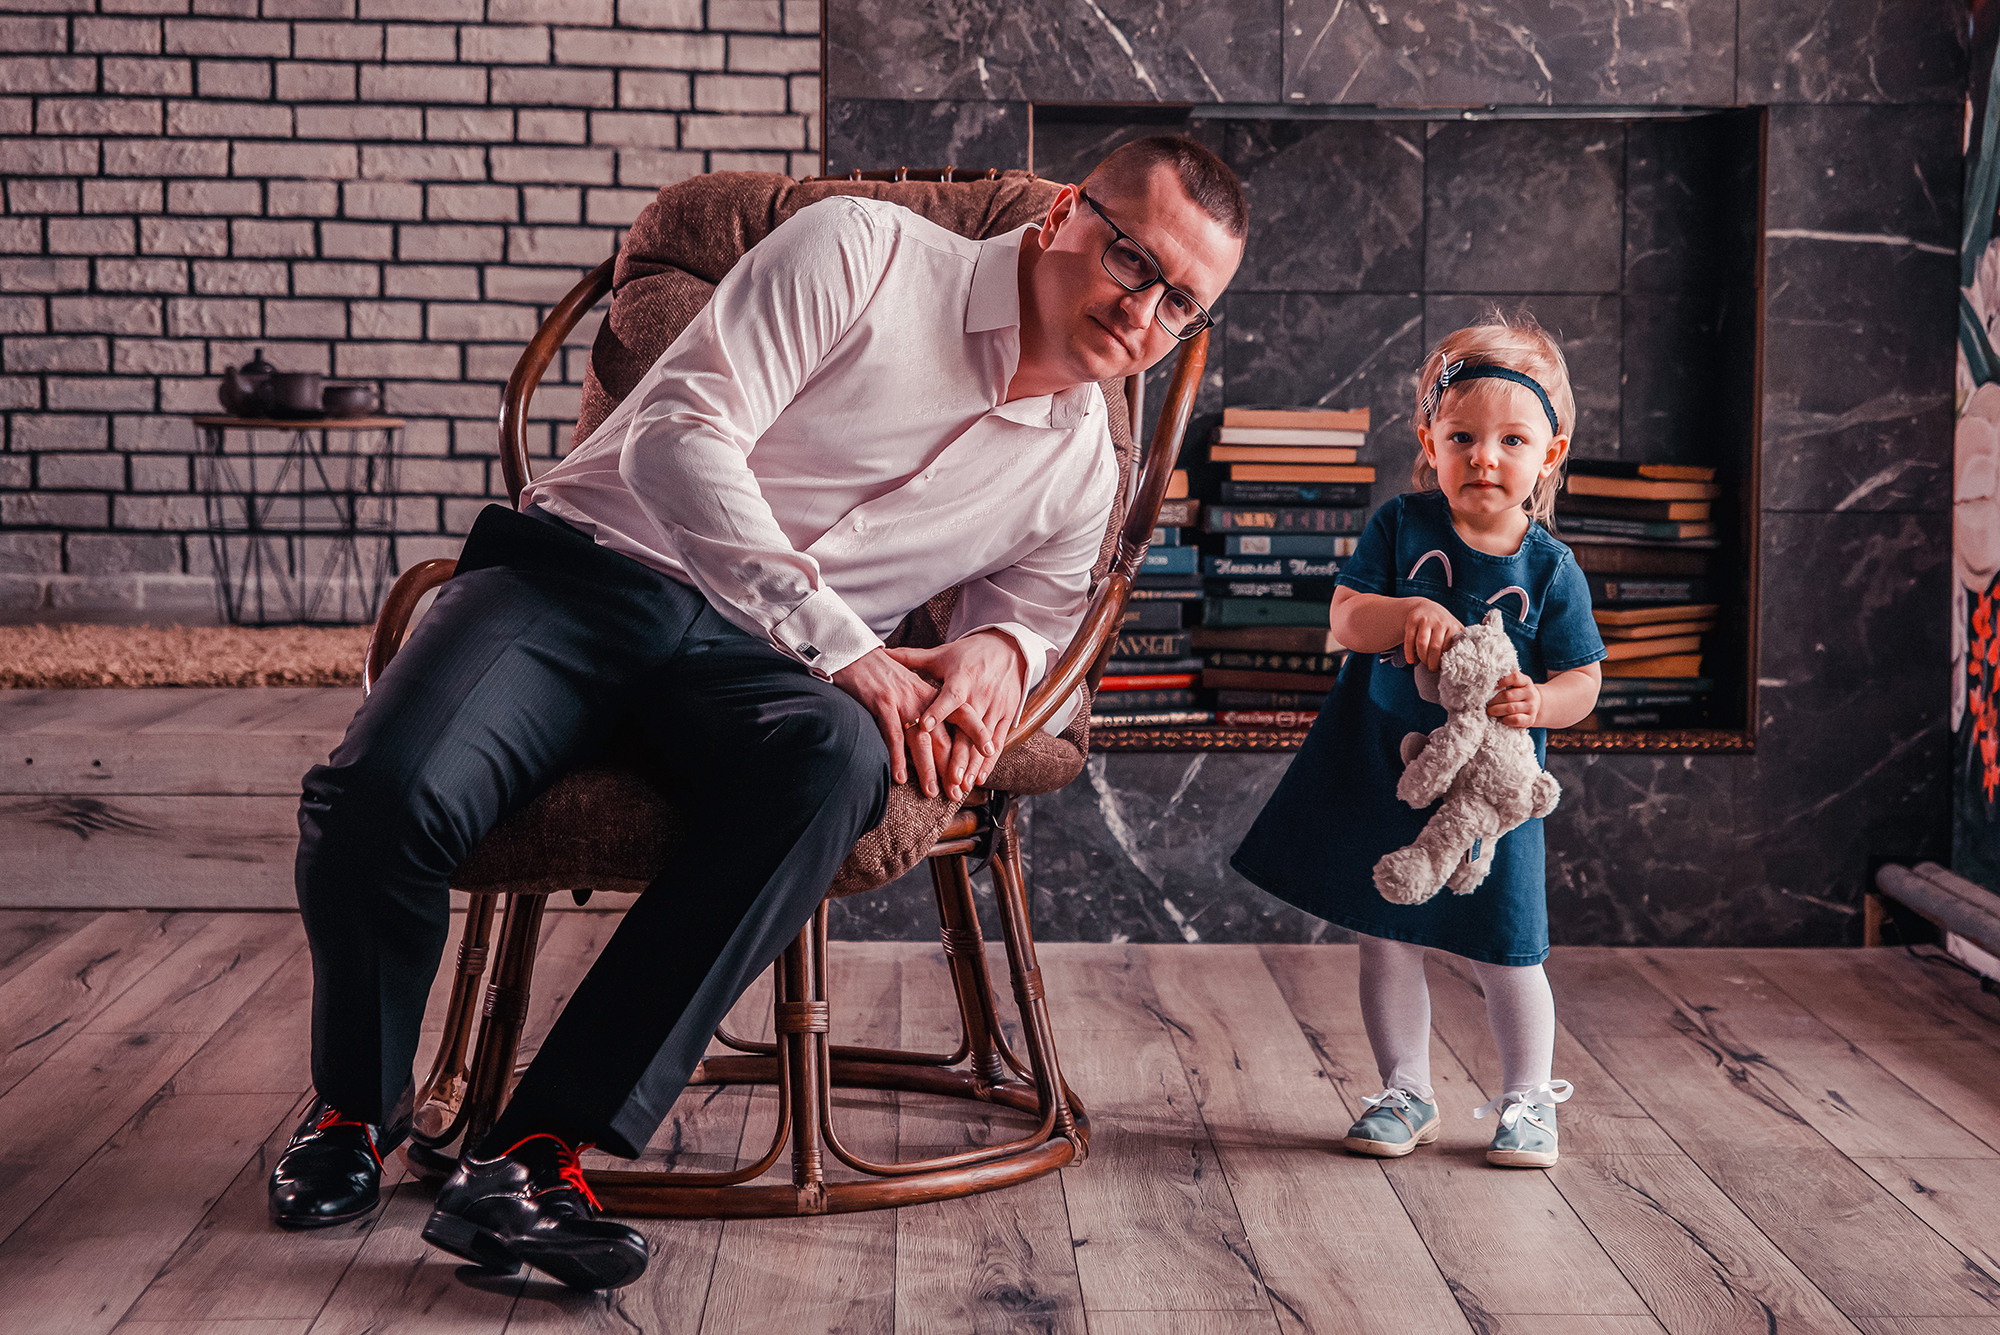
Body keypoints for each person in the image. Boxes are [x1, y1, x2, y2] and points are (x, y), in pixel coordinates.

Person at [267, 137, 1247, 1290]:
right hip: (585, 577)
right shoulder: (865, 253)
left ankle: (535, 1158)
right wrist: (850, 649)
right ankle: (351, 1117)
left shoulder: (1080, 460)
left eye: (1181, 305)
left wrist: (1000, 647)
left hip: (754, 672)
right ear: (1065, 217)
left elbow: (1043, 619)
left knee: (834, 763)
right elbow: (681, 438)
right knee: (376, 798)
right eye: (1133, 263)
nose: (1144, 312)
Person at [1231, 314, 1605, 1170]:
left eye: (1513, 439)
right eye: (1462, 435)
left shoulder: (1550, 568)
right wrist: (1405, 613)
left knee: (1512, 947)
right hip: (1389, 770)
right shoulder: (1402, 528)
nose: (1485, 457)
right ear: (1428, 440)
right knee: (1386, 930)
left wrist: (1540, 700)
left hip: (1493, 795)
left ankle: (1526, 1098)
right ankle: (1405, 1090)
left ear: (1549, 455)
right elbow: (1347, 618)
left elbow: (1585, 682)